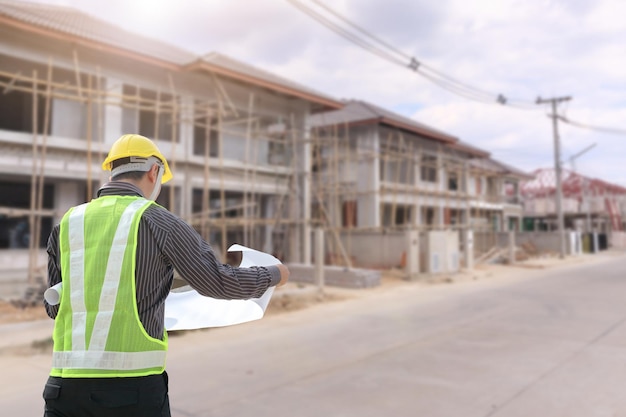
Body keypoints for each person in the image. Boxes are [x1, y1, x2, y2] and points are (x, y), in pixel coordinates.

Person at [42, 133, 289, 417]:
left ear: (112, 171)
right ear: (153, 171)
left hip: (63, 390)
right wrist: (273, 274)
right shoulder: (160, 222)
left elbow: (54, 307)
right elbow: (218, 282)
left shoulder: (67, 224)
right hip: (131, 392)